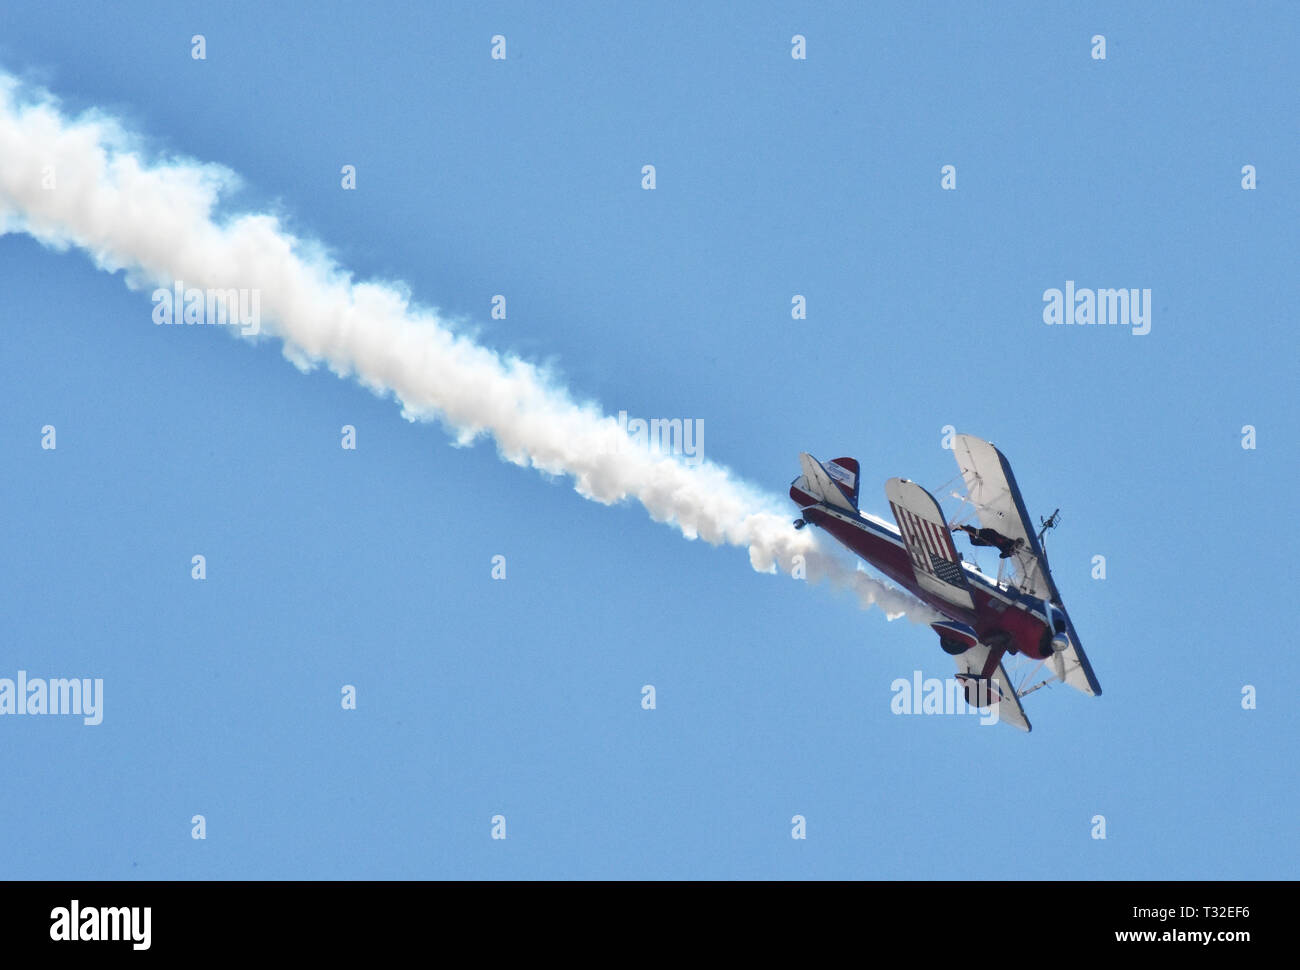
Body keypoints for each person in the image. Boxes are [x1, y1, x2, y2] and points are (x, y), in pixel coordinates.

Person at [955, 523, 1024, 559]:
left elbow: (1001, 556)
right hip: (990, 534)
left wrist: (1009, 554)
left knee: (974, 542)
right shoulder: (1010, 542)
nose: (1016, 546)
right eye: (1017, 545)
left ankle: (966, 527)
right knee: (977, 532)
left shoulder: (1007, 551)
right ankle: (962, 527)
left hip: (990, 542)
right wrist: (1011, 551)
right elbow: (1013, 543)